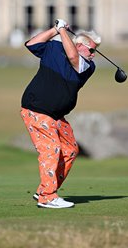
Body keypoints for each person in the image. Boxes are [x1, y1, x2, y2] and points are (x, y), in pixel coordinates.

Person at [20, 19, 101, 209]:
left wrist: (63, 32)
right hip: (36, 109)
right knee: (51, 148)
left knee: (70, 149)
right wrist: (56, 30)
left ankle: (45, 188)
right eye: (92, 50)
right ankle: (47, 196)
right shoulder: (54, 49)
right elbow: (31, 44)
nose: (93, 55)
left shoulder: (87, 66)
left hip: (56, 115)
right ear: (80, 45)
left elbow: (73, 58)